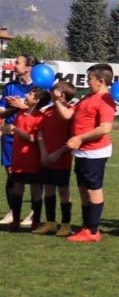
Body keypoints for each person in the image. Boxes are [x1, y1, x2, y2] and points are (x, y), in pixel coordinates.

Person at [52, 63, 116, 243]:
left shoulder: (106, 100)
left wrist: (80, 138)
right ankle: (87, 227)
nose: (87, 81)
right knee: (83, 189)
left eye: (90, 78)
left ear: (101, 81)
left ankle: (93, 230)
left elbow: (105, 128)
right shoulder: (87, 97)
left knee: (94, 190)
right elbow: (67, 115)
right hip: (82, 152)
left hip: (94, 152)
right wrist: (56, 99)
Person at [34, 81, 76, 236]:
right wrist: (44, 153)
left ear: (62, 95)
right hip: (47, 158)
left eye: (54, 90)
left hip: (62, 159)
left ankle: (66, 225)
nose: (51, 92)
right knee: (49, 190)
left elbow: (73, 137)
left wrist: (58, 153)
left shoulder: (71, 111)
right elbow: (40, 133)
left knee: (63, 191)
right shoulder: (47, 111)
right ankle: (50, 223)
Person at [3, 88, 48, 232]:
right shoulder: (20, 113)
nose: (26, 96)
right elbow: (16, 130)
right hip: (18, 158)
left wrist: (15, 130)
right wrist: (7, 130)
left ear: (37, 100)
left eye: (29, 95)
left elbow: (33, 138)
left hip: (33, 159)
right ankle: (16, 221)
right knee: (17, 189)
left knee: (35, 191)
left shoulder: (40, 117)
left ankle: (35, 222)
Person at [1, 54, 35, 227]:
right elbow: (2, 111)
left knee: (32, 176)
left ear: (28, 67)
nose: (14, 65)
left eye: (17, 62)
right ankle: (13, 212)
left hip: (28, 136)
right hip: (9, 136)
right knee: (11, 175)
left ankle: (33, 213)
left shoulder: (39, 87)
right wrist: (9, 110)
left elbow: (43, 112)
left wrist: (22, 106)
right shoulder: (9, 87)